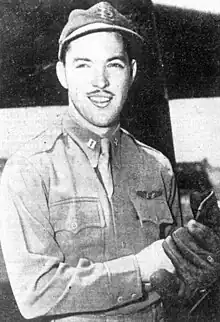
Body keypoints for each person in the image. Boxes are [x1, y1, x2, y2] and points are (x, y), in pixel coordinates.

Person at [0, 2, 184, 321]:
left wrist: (197, 266)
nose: (100, 82)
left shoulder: (157, 167)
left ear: (133, 72)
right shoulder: (29, 169)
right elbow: (36, 292)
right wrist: (140, 269)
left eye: (114, 65)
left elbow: (176, 277)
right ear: (63, 74)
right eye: (84, 65)